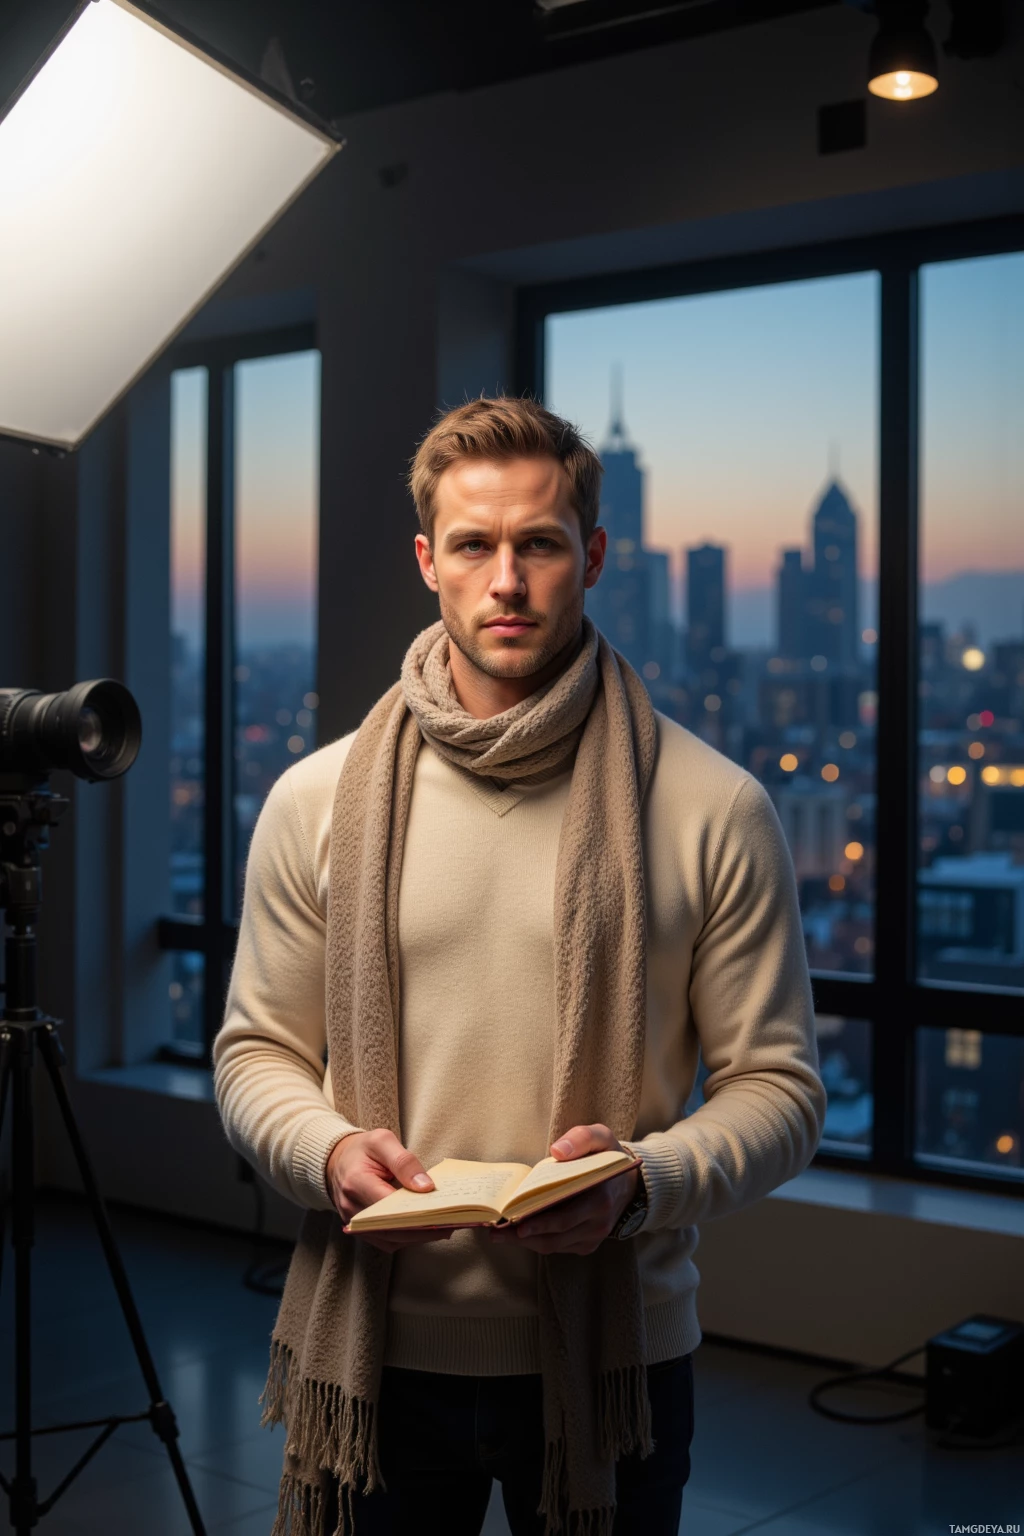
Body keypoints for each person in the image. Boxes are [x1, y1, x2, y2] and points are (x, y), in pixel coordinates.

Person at [213, 395, 827, 1536]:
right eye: (474, 545)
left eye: (539, 543)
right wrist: (331, 1149)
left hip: (615, 1358)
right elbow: (256, 1053)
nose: (507, 579)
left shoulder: (714, 808)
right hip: (378, 1354)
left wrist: (639, 1181)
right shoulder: (315, 801)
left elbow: (782, 1091)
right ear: (426, 562)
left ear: (591, 556)